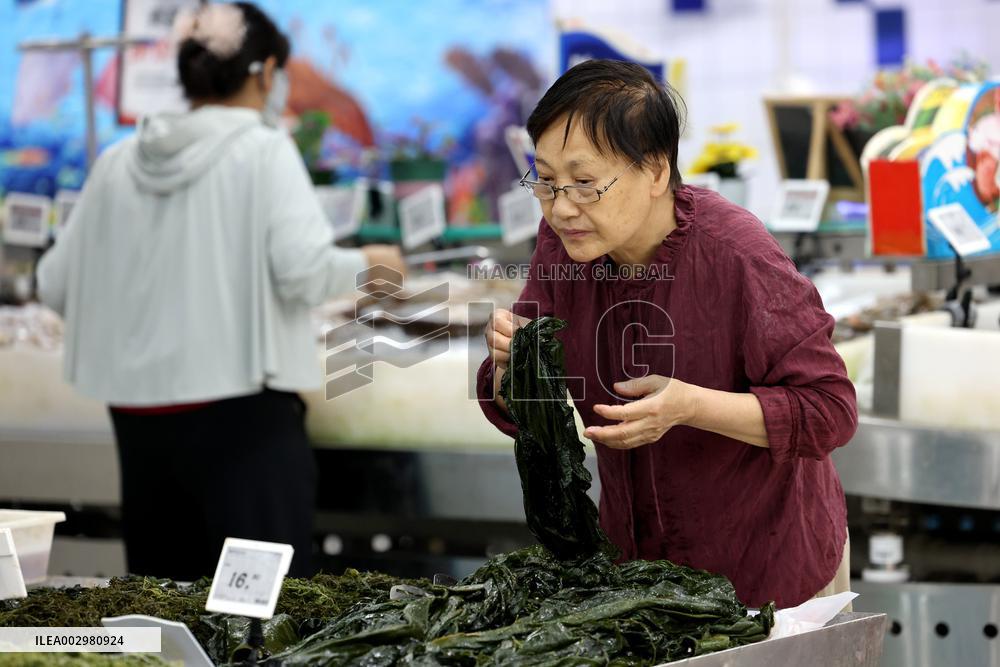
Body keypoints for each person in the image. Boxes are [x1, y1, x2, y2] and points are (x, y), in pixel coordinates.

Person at [36, 2, 404, 580]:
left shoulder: (117, 161)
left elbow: (53, 284)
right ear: (264, 73)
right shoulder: (263, 150)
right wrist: (376, 268)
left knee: (166, 607)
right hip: (243, 423)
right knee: (260, 614)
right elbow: (304, 271)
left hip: (138, 423)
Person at [478, 59, 857, 609]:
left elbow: (829, 410)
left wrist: (689, 407)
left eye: (585, 184)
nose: (561, 208)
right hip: (638, 583)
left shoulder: (736, 254)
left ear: (655, 171)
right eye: (546, 180)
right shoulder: (563, 243)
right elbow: (524, 405)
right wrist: (511, 368)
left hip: (767, 577)